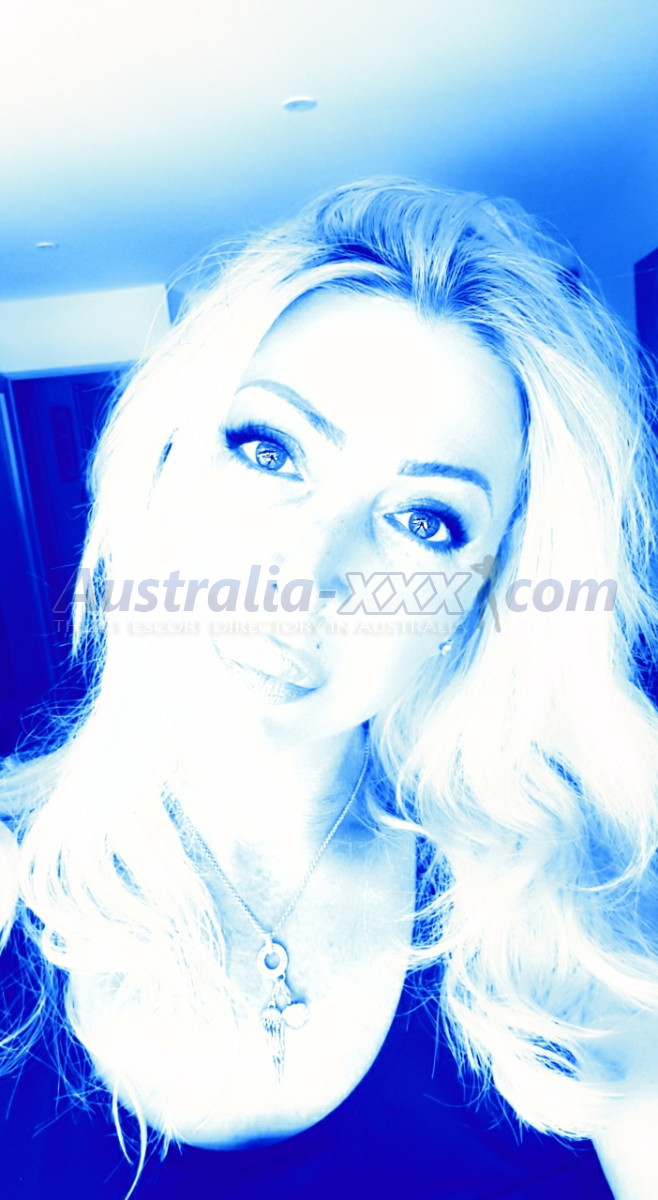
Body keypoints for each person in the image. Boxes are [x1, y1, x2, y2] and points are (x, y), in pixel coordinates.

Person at [1, 178, 657, 1199]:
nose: (304, 579)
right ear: (163, 467)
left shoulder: (571, 931)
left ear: (478, 603)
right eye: (270, 451)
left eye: (426, 521)